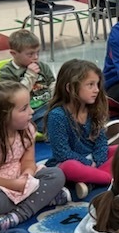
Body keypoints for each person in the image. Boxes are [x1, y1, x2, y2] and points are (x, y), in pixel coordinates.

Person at [0, 81, 69, 231]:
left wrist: (27, 175)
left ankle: (17, 215)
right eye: (24, 109)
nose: (31, 112)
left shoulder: (28, 129)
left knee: (56, 174)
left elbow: (29, 161)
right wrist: (14, 185)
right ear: (2, 116)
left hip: (22, 178)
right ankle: (44, 199)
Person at [44, 59, 115, 199]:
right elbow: (62, 153)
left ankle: (91, 182)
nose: (96, 90)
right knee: (70, 167)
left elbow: (101, 142)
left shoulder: (94, 109)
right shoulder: (57, 116)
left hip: (93, 160)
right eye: (90, 85)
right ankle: (108, 177)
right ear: (70, 88)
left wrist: (98, 161)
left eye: (97, 84)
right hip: (72, 162)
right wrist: (88, 164)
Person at [0, 29, 55, 131]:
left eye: (38, 53)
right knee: (54, 124)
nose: (36, 57)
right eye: (30, 54)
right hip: (30, 112)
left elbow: (52, 85)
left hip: (50, 105)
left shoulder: (42, 66)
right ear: (13, 53)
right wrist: (30, 76)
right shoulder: (6, 72)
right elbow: (13, 98)